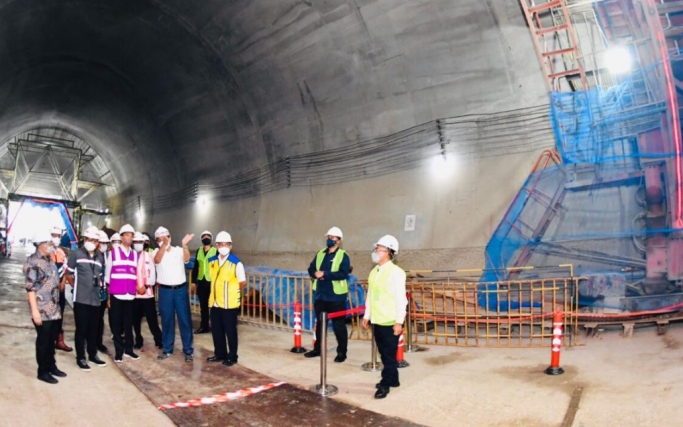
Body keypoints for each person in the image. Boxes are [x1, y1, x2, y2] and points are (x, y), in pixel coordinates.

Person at [362, 235, 407, 399]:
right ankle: (394, 379)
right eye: (376, 248)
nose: (376, 252)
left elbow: (401, 299)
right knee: (384, 353)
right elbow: (370, 295)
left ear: (388, 252)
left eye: (379, 249)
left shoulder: (396, 273)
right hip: (377, 319)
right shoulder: (375, 271)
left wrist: (398, 322)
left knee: (388, 355)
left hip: (389, 320)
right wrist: (367, 315)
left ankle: (385, 384)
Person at [24, 230, 67, 384]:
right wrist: (35, 311)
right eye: (48, 243)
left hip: (54, 308)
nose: (51, 245)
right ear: (41, 245)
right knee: (43, 340)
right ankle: (42, 371)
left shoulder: (49, 259)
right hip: (42, 308)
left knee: (51, 339)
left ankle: (51, 366)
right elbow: (30, 288)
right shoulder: (32, 262)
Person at [305, 226, 351, 363]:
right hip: (320, 295)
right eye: (328, 237)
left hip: (336, 297)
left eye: (332, 238)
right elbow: (311, 268)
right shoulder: (320, 254)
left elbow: (343, 273)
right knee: (320, 324)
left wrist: (326, 274)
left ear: (338, 240)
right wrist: (315, 274)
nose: (329, 240)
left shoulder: (343, 255)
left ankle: (342, 352)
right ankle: (317, 349)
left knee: (339, 326)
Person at [65, 226, 108, 371]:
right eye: (89, 239)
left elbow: (100, 278)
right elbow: (68, 274)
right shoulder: (76, 254)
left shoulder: (100, 257)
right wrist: (77, 286)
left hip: (95, 300)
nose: (91, 242)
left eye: (94, 240)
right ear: (84, 239)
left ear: (98, 243)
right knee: (81, 329)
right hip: (81, 299)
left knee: (93, 329)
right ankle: (80, 357)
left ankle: (92, 354)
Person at [154, 226, 194, 362]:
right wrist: (163, 246)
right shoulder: (156, 252)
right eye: (159, 239)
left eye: (165, 238)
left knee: (184, 319)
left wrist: (184, 246)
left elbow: (186, 259)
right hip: (165, 291)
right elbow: (157, 260)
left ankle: (188, 350)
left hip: (180, 290)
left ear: (170, 237)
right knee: (167, 320)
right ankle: (167, 348)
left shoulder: (178, 250)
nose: (163, 240)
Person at [205, 232, 246, 366]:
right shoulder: (212, 261)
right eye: (220, 244)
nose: (223, 247)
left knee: (230, 331)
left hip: (230, 304)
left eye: (226, 244)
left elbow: (242, 282)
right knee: (216, 330)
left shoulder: (236, 263)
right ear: (216, 246)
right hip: (215, 302)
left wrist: (232, 293)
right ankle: (220, 353)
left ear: (231, 246)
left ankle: (232, 356)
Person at [105, 224, 143, 363]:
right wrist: (109, 295)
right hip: (117, 293)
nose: (130, 238)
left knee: (129, 324)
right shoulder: (113, 253)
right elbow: (108, 275)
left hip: (130, 294)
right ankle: (119, 352)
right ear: (121, 237)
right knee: (116, 324)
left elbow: (136, 273)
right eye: (127, 235)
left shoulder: (134, 254)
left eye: (131, 235)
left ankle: (129, 350)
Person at [132, 232, 162, 350]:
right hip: (134, 294)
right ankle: (138, 340)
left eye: (140, 242)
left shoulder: (149, 256)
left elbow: (153, 275)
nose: (138, 244)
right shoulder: (130, 256)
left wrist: (145, 286)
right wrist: (136, 287)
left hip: (147, 293)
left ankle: (158, 339)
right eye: (136, 242)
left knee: (152, 319)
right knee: (136, 320)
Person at [50, 226, 73, 353]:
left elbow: (65, 269)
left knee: (60, 315)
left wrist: (63, 282)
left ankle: (59, 340)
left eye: (58, 236)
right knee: (49, 315)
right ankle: (48, 340)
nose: (56, 238)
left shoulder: (61, 252)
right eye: (54, 235)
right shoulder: (46, 252)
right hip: (49, 291)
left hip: (60, 289)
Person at [191, 230, 216, 334]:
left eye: (208, 236)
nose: (206, 238)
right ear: (201, 239)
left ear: (211, 238)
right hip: (202, 281)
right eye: (204, 236)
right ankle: (204, 326)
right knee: (203, 306)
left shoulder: (216, 250)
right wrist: (193, 281)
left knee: (214, 306)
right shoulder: (199, 251)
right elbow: (196, 266)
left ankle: (215, 327)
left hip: (212, 282)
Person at [96, 230, 110, 353]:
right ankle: (89, 342)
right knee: (90, 319)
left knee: (100, 320)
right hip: (91, 294)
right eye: (102, 243)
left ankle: (98, 342)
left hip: (103, 293)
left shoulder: (107, 256)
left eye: (106, 243)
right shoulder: (91, 255)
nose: (104, 245)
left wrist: (108, 297)